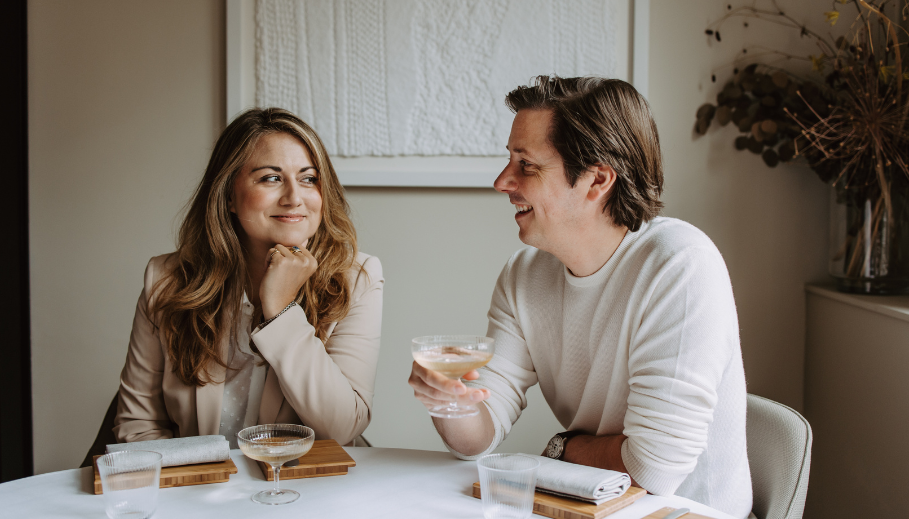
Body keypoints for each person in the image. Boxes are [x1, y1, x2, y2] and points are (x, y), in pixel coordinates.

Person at [408, 76, 752, 517]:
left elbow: (653, 470)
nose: (502, 181)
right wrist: (450, 402)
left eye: (526, 165)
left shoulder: (680, 266)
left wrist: (563, 447)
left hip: (686, 512)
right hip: (593, 507)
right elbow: (479, 434)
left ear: (597, 179)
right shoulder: (523, 276)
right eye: (509, 160)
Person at [115, 108, 383, 449]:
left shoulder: (356, 278)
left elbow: (342, 428)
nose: (294, 198)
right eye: (271, 178)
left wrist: (282, 311)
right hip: (201, 481)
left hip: (308, 480)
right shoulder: (166, 279)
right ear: (229, 195)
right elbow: (139, 427)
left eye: (308, 179)